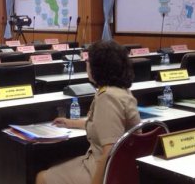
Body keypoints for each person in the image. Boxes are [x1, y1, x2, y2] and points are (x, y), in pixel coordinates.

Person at [36, 40, 140, 184]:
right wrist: (71, 123)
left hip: (106, 170)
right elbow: (102, 124)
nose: (86, 64)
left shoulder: (107, 98)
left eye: (88, 60)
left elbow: (109, 151)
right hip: (124, 166)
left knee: (42, 177)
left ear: (98, 67)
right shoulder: (120, 90)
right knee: (59, 164)